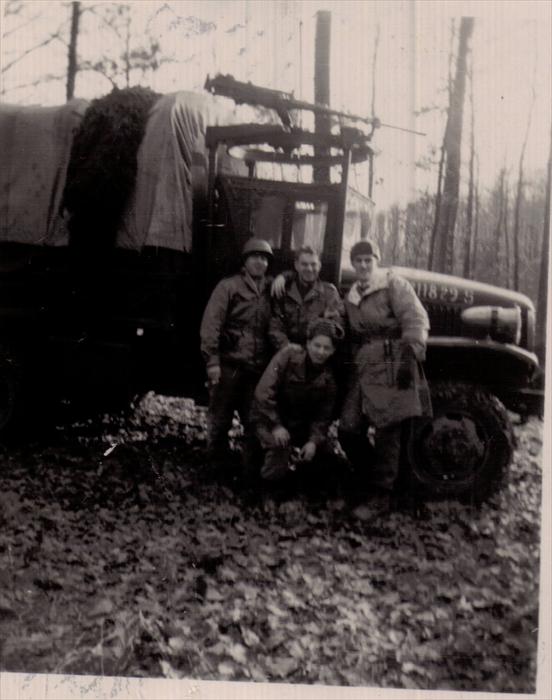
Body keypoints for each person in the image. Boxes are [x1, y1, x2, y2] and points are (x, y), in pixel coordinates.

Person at [338, 239, 432, 498]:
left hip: (392, 360)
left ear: (377, 262)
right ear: (353, 264)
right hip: (364, 364)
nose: (364, 265)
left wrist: (410, 357)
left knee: (388, 429)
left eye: (369, 260)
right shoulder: (352, 295)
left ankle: (383, 493)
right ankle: (370, 477)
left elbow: (415, 318)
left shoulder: (393, 284)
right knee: (348, 428)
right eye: (359, 261)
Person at [200, 237, 274, 472]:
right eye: (255, 257)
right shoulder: (229, 286)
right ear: (245, 261)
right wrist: (212, 362)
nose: (259, 262)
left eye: (264, 258)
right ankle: (215, 465)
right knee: (220, 417)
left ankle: (249, 469)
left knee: (254, 419)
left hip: (256, 367)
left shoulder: (272, 288)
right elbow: (211, 325)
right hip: (229, 363)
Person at [252, 318, 340, 483]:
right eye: (317, 345)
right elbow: (264, 392)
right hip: (267, 419)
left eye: (326, 348)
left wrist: (313, 442)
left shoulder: (329, 380)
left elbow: (322, 417)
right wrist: (276, 425)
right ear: (308, 343)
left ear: (333, 351)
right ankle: (268, 489)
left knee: (325, 455)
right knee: (280, 447)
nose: (320, 352)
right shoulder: (287, 355)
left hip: (297, 426)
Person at [269, 246, 344, 350]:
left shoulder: (329, 293)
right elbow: (275, 327)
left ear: (319, 266)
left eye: (313, 264)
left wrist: (327, 323)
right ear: (296, 265)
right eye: (304, 264)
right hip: (287, 351)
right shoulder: (283, 290)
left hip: (316, 353)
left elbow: (339, 329)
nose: (309, 269)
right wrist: (288, 347)